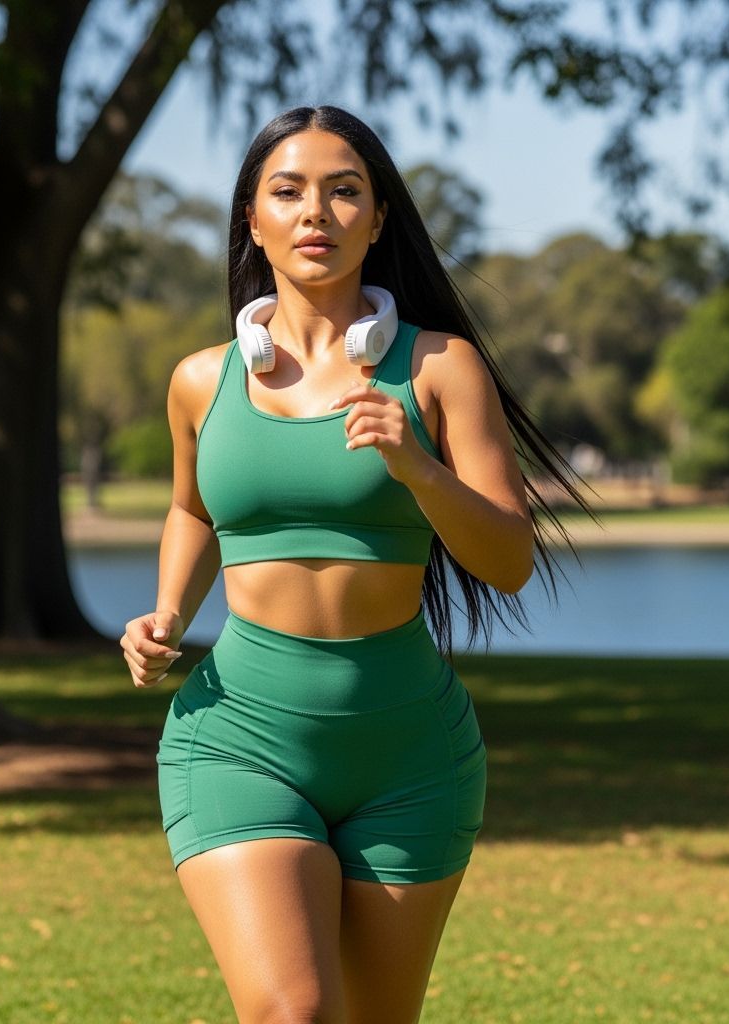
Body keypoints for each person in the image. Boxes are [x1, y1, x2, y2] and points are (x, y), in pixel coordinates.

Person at [120, 105, 590, 1023]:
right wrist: (167, 611)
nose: (316, 214)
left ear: (378, 220)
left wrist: (415, 466)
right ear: (251, 221)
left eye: (345, 192)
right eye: (287, 192)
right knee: (291, 1012)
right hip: (239, 736)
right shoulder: (199, 380)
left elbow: (508, 560)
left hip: (408, 753)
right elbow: (191, 508)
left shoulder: (440, 369)